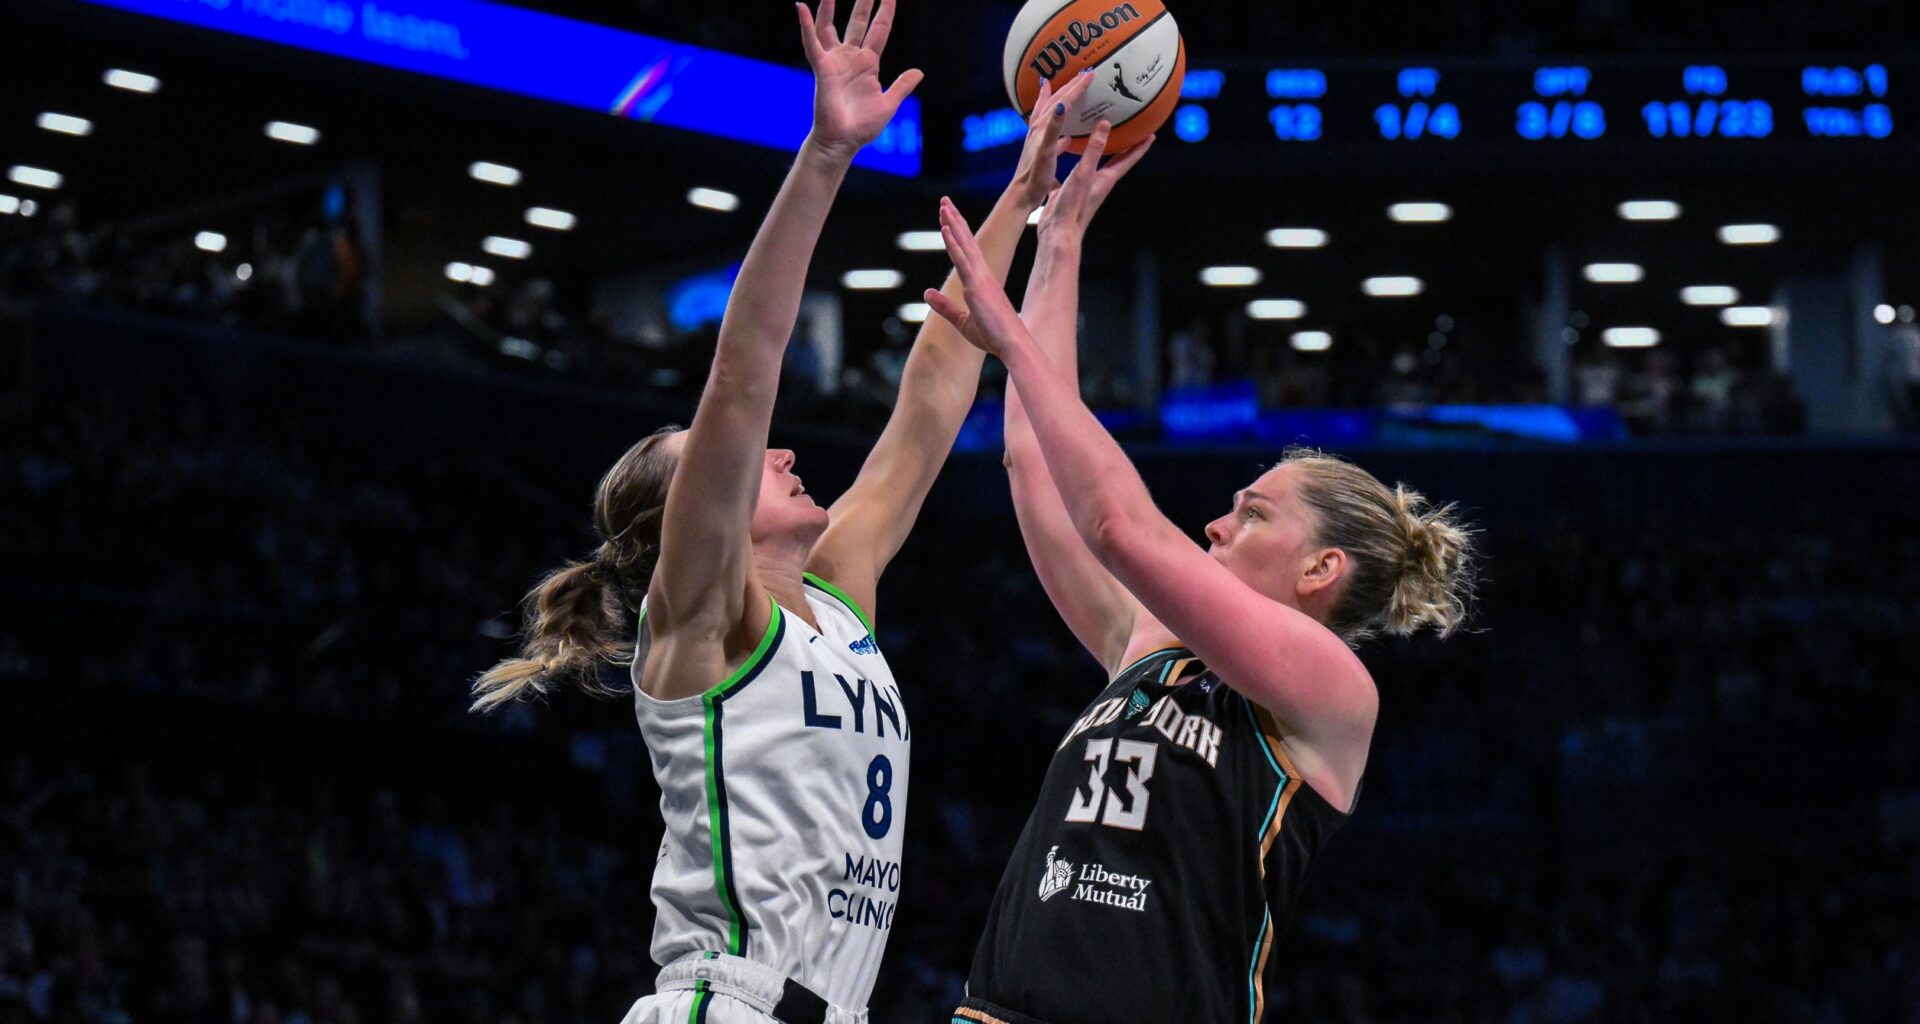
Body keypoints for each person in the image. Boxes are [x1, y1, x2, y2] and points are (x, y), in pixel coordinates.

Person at [469, 4, 1095, 1022]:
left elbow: (934, 391)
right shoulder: (703, 620)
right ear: (691, 517)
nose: (783, 452)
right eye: (737, 463)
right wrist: (825, 156)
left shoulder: (839, 598)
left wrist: (1023, 196)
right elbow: (742, 374)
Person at [924, 123, 1480, 1024]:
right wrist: (1059, 239)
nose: (1218, 524)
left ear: (1321, 567)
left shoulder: (1333, 691)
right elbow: (1034, 458)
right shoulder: (1148, 643)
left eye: (1253, 513)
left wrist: (1012, 342)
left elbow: (1118, 526)